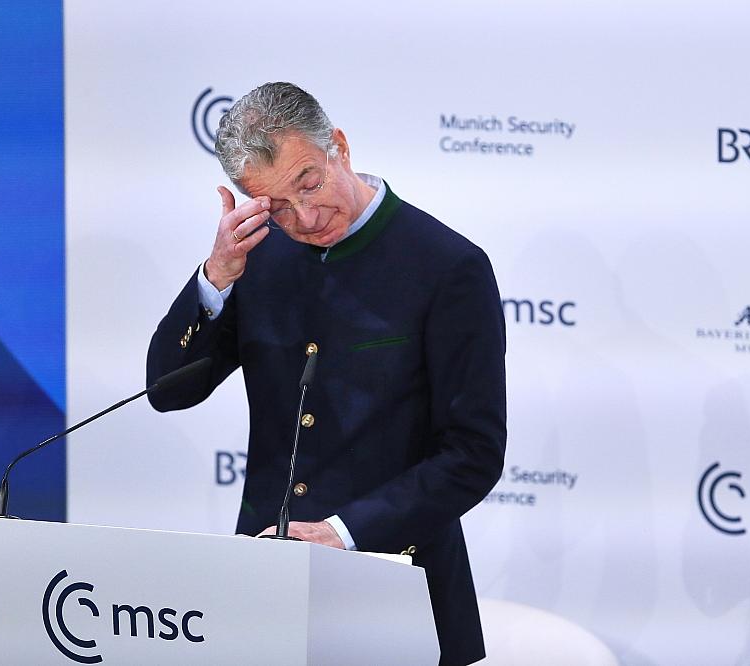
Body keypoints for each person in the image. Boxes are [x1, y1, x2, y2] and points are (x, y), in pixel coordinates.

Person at [147, 82, 506, 666]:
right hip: (264, 595)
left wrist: (344, 531)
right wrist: (215, 277)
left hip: (399, 590)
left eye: (309, 184)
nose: (305, 217)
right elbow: (168, 390)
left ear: (339, 146)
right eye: (277, 206)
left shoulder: (448, 266)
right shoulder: (254, 257)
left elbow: (473, 454)